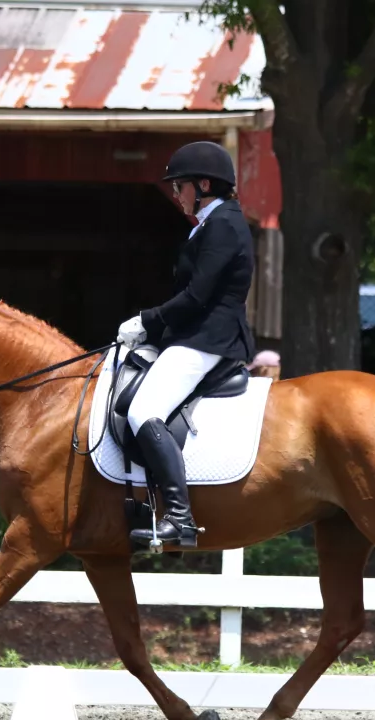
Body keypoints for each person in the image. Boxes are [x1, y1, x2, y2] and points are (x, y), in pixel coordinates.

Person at [117, 141, 255, 548]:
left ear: (204, 185)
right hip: (195, 334)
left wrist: (146, 320)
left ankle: (181, 518)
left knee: (143, 411)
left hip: (207, 339)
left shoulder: (224, 225)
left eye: (181, 187)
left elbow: (197, 297)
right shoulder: (212, 223)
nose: (176, 195)